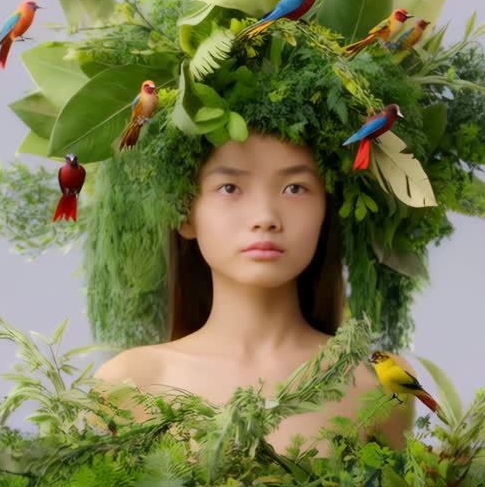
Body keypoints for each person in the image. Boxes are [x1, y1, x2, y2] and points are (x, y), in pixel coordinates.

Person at [88, 130, 416, 456]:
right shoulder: (131, 381)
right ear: (185, 214)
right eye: (230, 188)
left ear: (327, 211)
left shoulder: (377, 381)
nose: (265, 218)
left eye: (295, 188)